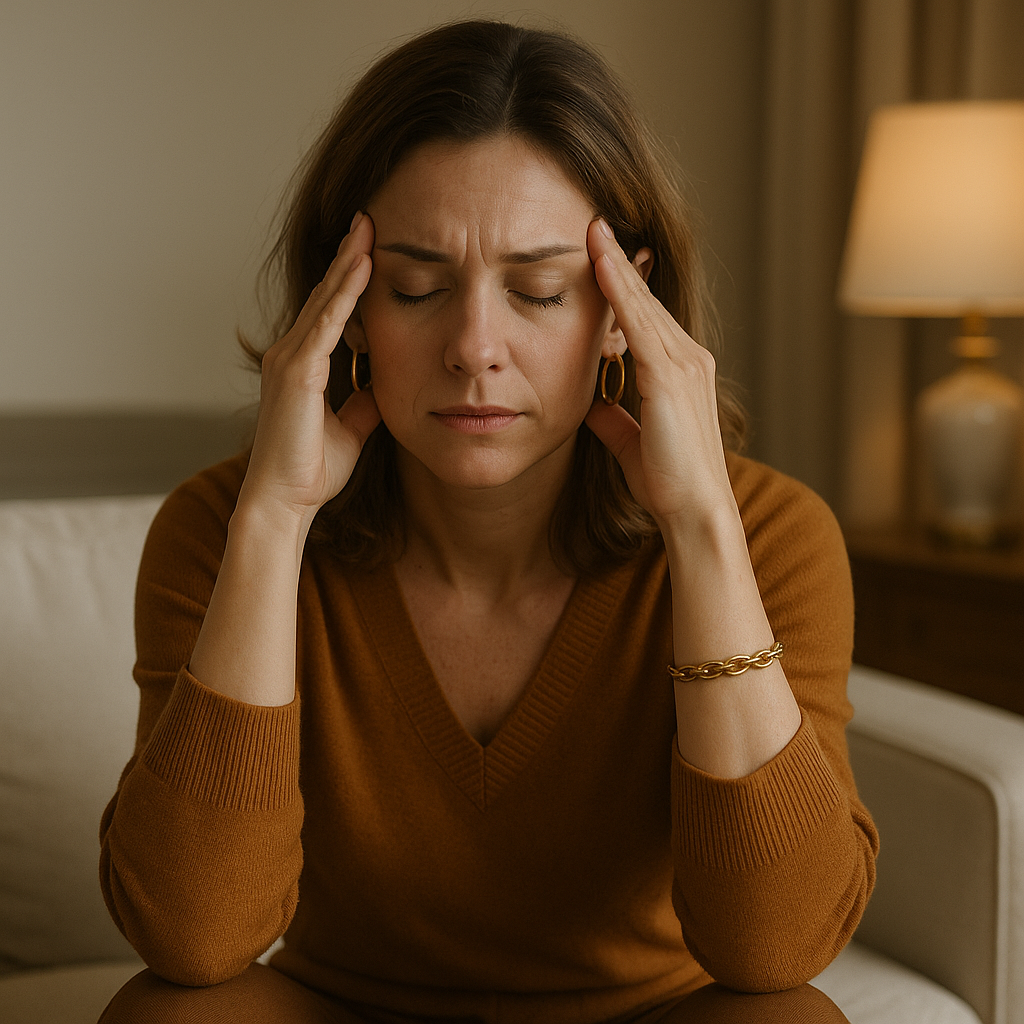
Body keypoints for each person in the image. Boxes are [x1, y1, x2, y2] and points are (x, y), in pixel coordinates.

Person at [97, 19, 876, 1024]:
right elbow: (192, 935)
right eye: (416, 287)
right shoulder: (219, 527)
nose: (474, 347)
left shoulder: (773, 535)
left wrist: (699, 528)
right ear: (346, 303)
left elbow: (780, 947)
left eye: (540, 291)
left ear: (619, 309)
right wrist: (274, 522)